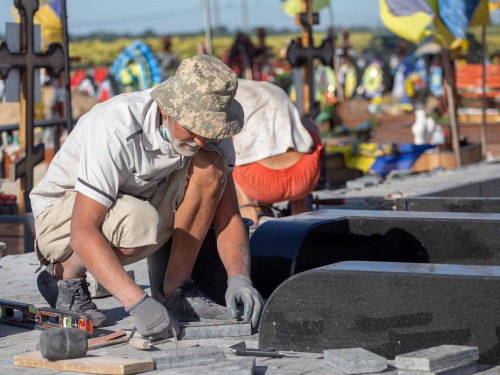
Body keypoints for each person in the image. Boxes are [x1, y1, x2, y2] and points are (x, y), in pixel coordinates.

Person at [30, 55, 263, 340]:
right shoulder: (118, 126)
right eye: (193, 127)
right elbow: (82, 231)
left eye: (208, 130)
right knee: (139, 222)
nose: (201, 139)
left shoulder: (211, 132)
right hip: (61, 220)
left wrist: (239, 278)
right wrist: (137, 303)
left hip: (135, 204)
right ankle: (63, 277)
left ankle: (176, 291)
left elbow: (229, 218)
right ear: (168, 109)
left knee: (211, 169)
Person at [233, 79, 323, 225]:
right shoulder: (273, 89)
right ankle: (299, 206)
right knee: (305, 129)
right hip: (305, 176)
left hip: (257, 182)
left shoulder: (228, 95)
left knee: (223, 145)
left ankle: (247, 208)